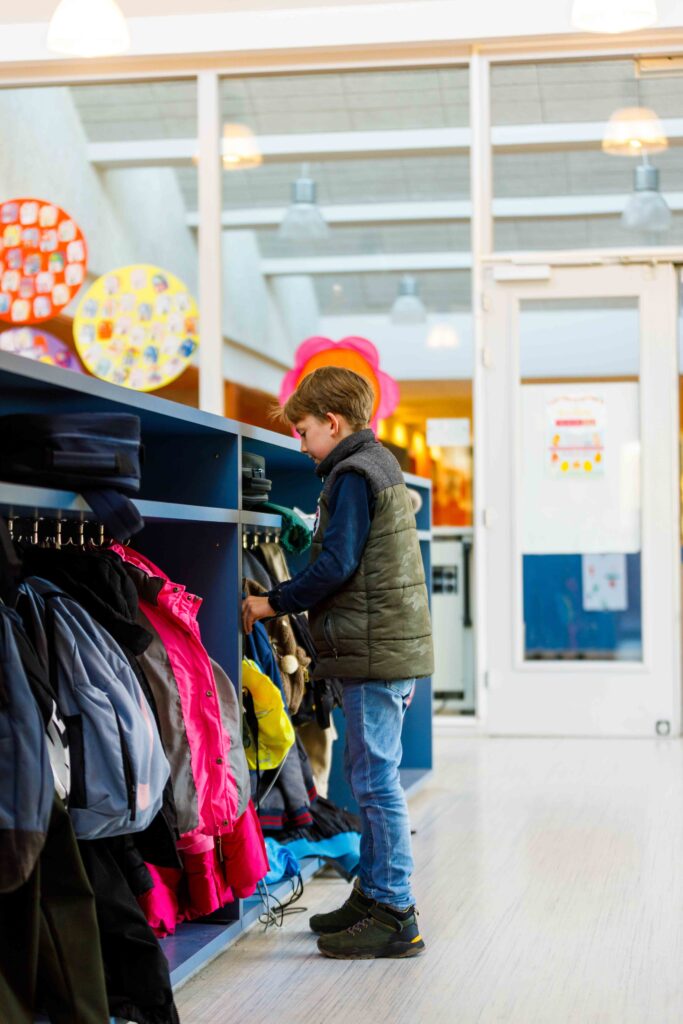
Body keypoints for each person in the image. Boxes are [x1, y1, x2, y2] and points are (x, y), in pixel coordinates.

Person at [242, 366, 434, 960]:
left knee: (376, 783)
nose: (301, 445)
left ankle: (396, 912)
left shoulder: (352, 474)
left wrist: (270, 601)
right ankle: (373, 895)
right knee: (372, 778)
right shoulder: (378, 464)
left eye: (303, 432)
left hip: (375, 651)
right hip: (384, 646)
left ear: (332, 422)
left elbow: (336, 565)